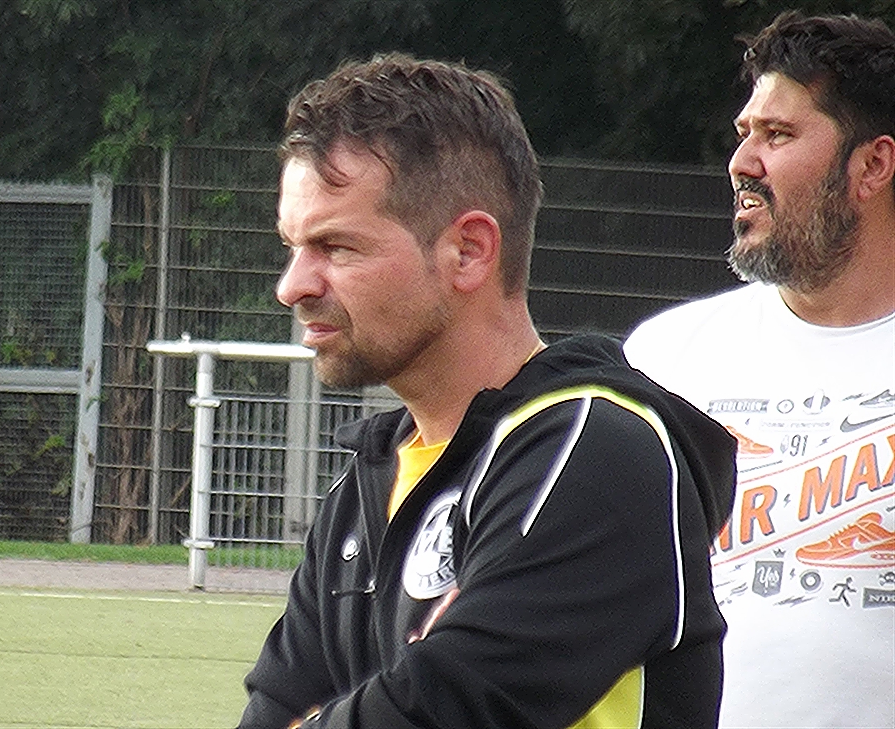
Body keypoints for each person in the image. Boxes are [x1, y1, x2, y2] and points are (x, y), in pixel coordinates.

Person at [238, 53, 736, 729]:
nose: (292, 286)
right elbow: (273, 712)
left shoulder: (596, 452)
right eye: (292, 246)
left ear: (469, 251)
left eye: (336, 247)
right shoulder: (365, 484)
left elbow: (444, 710)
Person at [624, 11, 895, 729]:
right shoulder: (663, 359)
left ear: (873, 165)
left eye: (777, 135)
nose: (742, 163)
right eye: (745, 133)